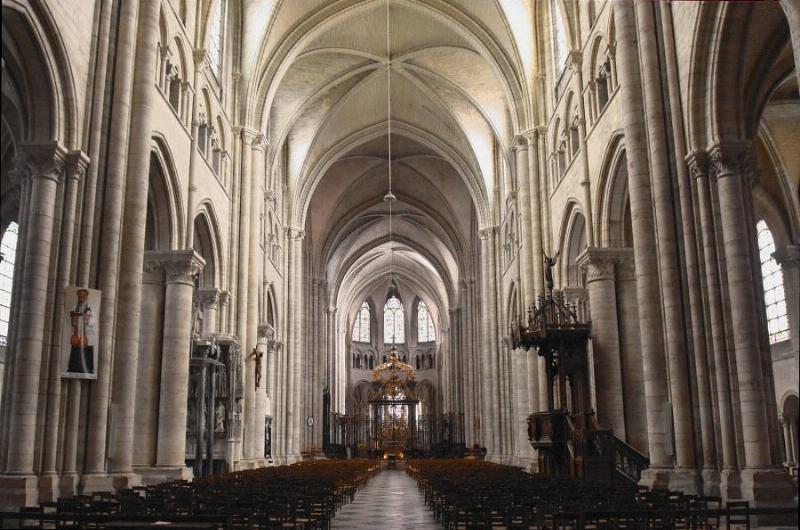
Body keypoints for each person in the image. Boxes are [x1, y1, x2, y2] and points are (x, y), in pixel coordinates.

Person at [67, 288, 94, 374]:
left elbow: (94, 320)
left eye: (83, 296)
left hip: (87, 334)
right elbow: (70, 318)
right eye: (80, 296)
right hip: (76, 334)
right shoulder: (74, 306)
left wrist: (88, 319)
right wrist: (73, 320)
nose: (81, 298)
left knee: (87, 356)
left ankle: (87, 371)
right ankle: (73, 369)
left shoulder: (90, 307)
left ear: (86, 297)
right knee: (75, 353)